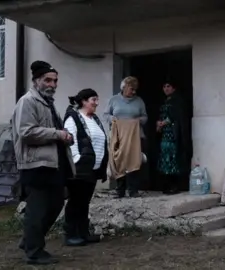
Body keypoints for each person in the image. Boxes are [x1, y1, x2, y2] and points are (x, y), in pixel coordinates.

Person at [11, 60, 75, 265]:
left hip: (53, 164)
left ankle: (30, 240)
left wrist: (66, 136)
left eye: (55, 80)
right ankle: (34, 252)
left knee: (56, 204)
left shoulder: (48, 103)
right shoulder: (27, 101)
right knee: (37, 209)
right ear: (36, 81)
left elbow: (52, 131)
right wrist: (58, 134)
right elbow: (26, 132)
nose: (53, 84)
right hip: (36, 165)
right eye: (48, 80)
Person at [63, 88, 108, 246]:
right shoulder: (73, 118)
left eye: (97, 100)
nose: (97, 103)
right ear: (83, 101)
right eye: (93, 100)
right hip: (79, 169)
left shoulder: (94, 119)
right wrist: (77, 160)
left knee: (84, 202)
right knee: (76, 201)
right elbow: (70, 141)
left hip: (92, 169)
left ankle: (83, 233)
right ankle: (70, 234)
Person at [104, 76, 147, 198]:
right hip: (119, 137)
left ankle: (133, 190)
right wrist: (113, 119)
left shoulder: (139, 101)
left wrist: (137, 121)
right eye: (131, 89)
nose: (133, 92)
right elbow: (106, 114)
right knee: (119, 160)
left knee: (134, 160)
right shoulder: (114, 100)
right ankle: (120, 190)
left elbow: (145, 117)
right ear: (124, 88)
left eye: (135, 90)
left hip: (135, 137)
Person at [156, 81, 191, 194]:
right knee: (165, 160)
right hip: (164, 135)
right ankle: (166, 185)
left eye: (168, 86)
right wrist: (159, 125)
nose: (166, 89)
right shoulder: (164, 101)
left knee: (174, 159)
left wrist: (164, 123)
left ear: (174, 88)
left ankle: (175, 186)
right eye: (164, 86)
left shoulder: (177, 101)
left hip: (174, 135)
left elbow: (176, 116)